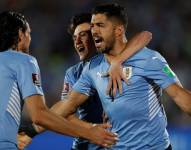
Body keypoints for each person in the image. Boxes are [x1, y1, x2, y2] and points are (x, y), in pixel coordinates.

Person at [59, 3, 191, 150]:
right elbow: (66, 107)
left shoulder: (148, 59)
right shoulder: (91, 69)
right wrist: (34, 127)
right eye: (92, 26)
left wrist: (117, 62)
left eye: (100, 25)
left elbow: (181, 97)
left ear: (118, 31)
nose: (94, 31)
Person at [17, 12, 152, 149]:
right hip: (86, 145)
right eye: (74, 37)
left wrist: (118, 60)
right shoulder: (73, 73)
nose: (77, 41)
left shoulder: (116, 59)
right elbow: (66, 110)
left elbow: (145, 35)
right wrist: (91, 129)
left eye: (83, 35)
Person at [0, 11, 118, 150]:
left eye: (83, 35)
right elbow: (44, 113)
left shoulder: (123, 63)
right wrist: (90, 132)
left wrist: (30, 132)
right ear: (21, 34)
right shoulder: (24, 61)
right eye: (29, 33)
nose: (77, 41)